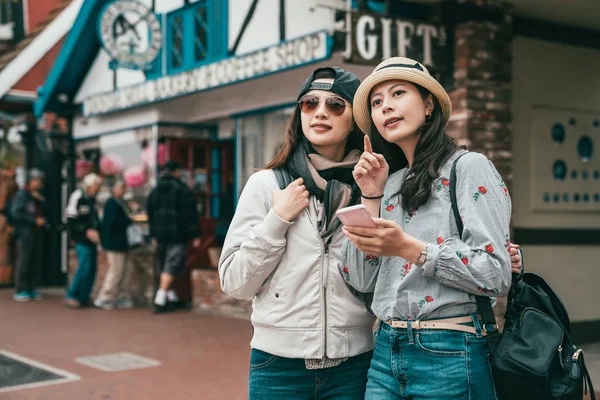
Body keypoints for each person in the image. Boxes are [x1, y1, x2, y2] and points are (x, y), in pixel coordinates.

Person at [343, 57, 513, 399]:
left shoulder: (469, 168)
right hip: (385, 351)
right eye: (377, 102)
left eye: (398, 93)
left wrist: (410, 249)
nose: (386, 106)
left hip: (450, 349)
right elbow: (360, 279)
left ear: (429, 104)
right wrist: (370, 195)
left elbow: (496, 274)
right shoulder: (389, 183)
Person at [219, 66, 377, 400]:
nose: (320, 112)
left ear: (355, 119)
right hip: (278, 366)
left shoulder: (372, 187)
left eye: (335, 105)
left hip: (355, 365)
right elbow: (234, 282)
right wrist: (277, 219)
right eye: (309, 103)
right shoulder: (268, 184)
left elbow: (380, 278)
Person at [146, 161, 201, 314]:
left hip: (160, 235)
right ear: (176, 172)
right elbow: (190, 214)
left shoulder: (155, 191)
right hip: (177, 234)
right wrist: (195, 234)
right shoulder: (182, 190)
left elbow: (150, 214)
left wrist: (153, 233)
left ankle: (171, 297)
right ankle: (160, 299)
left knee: (165, 264)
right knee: (172, 265)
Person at [65, 173, 103, 308]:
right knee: (83, 267)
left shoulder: (93, 200)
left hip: (92, 241)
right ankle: (72, 295)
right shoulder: (78, 196)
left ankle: (84, 296)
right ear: (89, 186)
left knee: (92, 269)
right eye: (96, 187)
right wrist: (84, 232)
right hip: (81, 239)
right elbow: (70, 219)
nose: (98, 189)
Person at [94, 180, 134, 310]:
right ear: (114, 189)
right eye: (121, 187)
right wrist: (127, 221)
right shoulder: (111, 203)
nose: (124, 190)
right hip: (114, 243)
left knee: (122, 270)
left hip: (121, 242)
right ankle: (105, 296)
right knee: (116, 270)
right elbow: (111, 223)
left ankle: (118, 296)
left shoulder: (121, 203)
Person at [10, 169, 48, 301]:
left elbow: (42, 212)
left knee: (34, 261)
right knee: (24, 261)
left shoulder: (36, 196)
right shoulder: (22, 195)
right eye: (38, 181)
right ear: (31, 180)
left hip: (36, 233)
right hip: (25, 233)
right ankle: (21, 289)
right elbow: (15, 213)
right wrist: (33, 220)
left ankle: (31, 288)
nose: (40, 184)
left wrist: (41, 201)